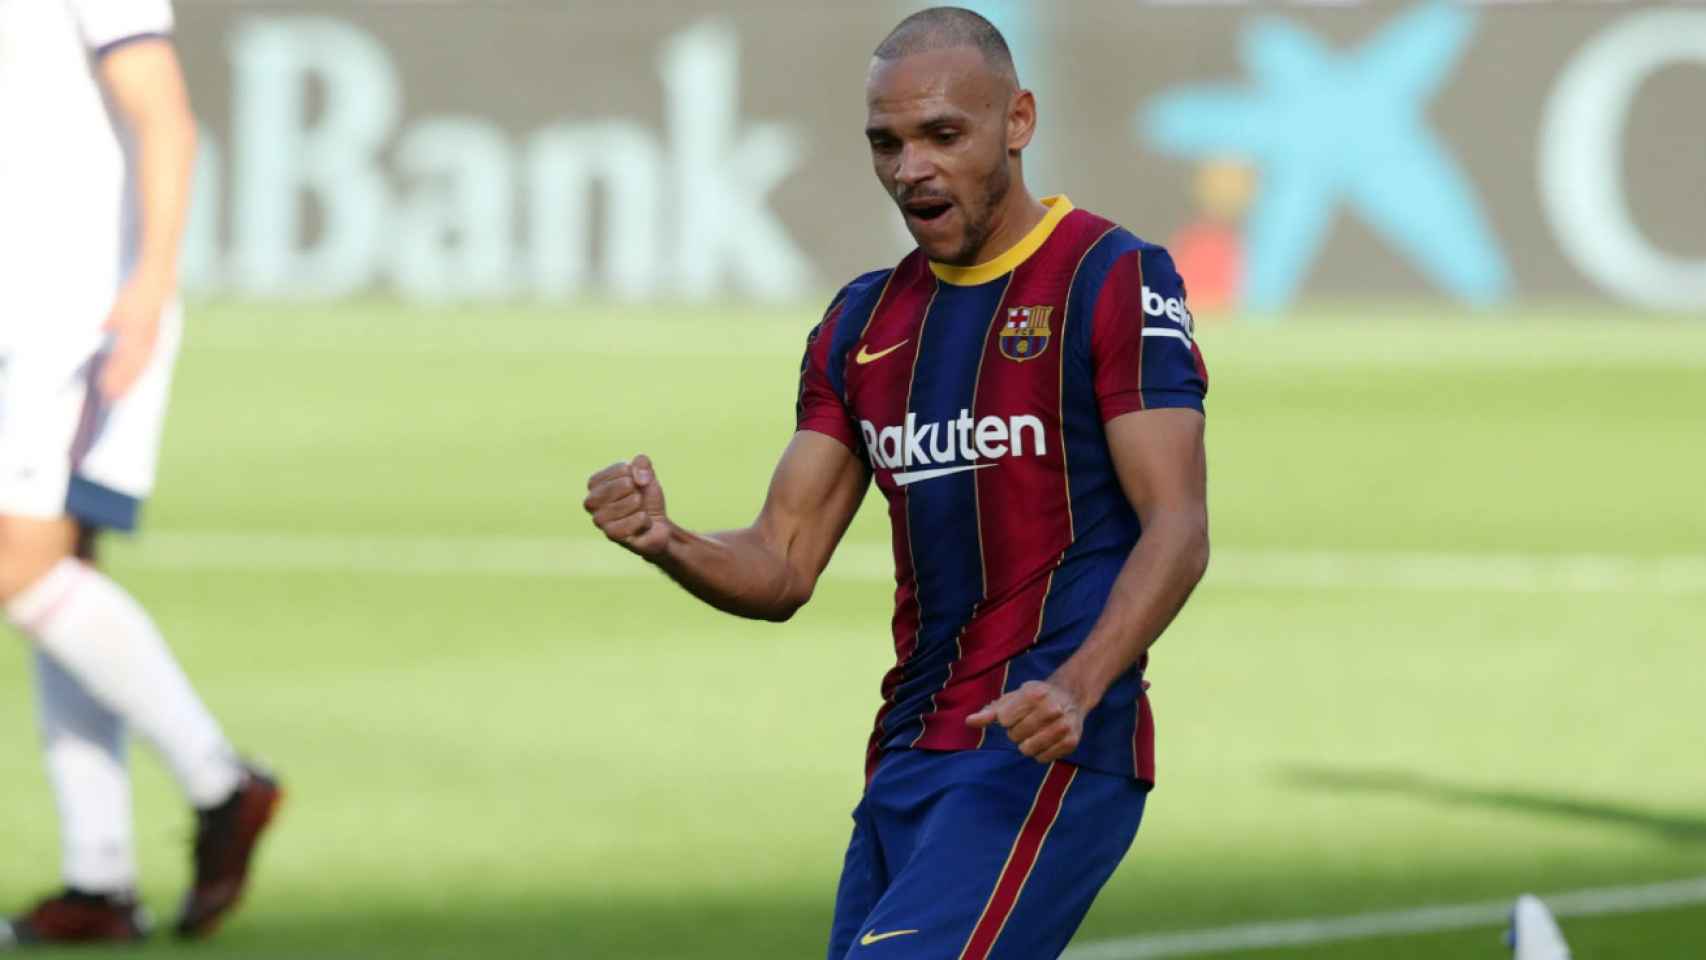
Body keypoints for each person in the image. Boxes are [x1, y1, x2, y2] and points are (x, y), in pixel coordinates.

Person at [583, 7, 1209, 958]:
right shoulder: (862, 323)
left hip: (1043, 752)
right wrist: (671, 541)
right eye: (887, 142)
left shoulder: (1111, 276)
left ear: (1018, 121)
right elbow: (783, 562)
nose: (911, 166)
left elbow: (1178, 527)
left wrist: (1077, 687)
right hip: (907, 758)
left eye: (942, 135)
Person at [0, 0, 281, 946]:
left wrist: (151, 281)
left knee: (17, 564)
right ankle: (101, 881)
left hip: (65, 314)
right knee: (61, 573)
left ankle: (219, 782)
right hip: (23, 310)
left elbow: (163, 110)